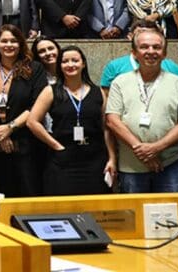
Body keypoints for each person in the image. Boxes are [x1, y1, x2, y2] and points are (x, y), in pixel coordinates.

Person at [27, 46, 114, 195]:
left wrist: (112, 158)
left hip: (95, 160)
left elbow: (106, 127)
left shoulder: (98, 92)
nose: (70, 64)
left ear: (83, 64)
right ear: (59, 66)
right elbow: (32, 121)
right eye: (65, 61)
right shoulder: (51, 91)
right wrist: (55, 145)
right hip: (62, 160)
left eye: (75, 60)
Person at [106, 27, 178, 192]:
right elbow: (112, 120)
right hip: (131, 165)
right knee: (133, 209)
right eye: (144, 47)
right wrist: (142, 151)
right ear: (134, 53)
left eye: (157, 47)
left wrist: (156, 148)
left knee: (170, 208)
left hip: (170, 163)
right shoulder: (120, 82)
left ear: (164, 53)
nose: (151, 51)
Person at [0, 25, 43, 197]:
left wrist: (10, 128)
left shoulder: (34, 68)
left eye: (13, 41)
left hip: (26, 139)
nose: (9, 45)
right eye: (4, 41)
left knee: (30, 190)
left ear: (21, 44)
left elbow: (37, 105)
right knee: (4, 190)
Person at [99, 21, 178, 96]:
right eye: (140, 34)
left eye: (151, 35)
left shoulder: (172, 67)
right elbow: (107, 99)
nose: (146, 39)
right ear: (130, 37)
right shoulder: (114, 67)